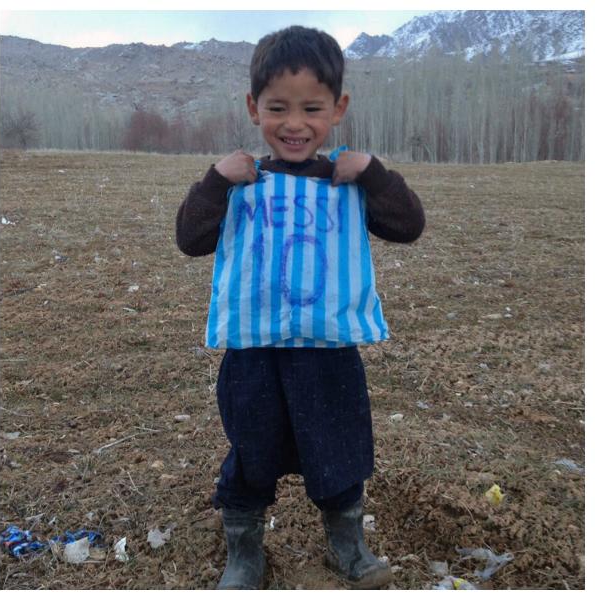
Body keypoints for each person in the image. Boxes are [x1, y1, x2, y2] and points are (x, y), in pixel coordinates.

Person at [175, 25, 425, 590]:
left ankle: (348, 545)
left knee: (338, 451)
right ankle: (244, 554)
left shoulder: (350, 180)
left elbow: (408, 226)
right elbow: (190, 239)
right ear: (252, 108)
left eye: (311, 108)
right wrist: (214, 181)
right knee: (251, 451)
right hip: (253, 351)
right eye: (277, 108)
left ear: (337, 108)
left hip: (328, 351)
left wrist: (375, 172)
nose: (294, 123)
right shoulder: (241, 181)